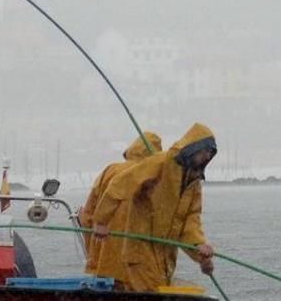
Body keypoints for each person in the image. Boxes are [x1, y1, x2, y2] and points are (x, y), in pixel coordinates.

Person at [91, 123, 217, 292]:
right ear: (193, 148)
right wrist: (101, 220)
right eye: (205, 150)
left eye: (211, 153)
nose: (207, 156)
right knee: (153, 295)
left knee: (156, 295)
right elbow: (121, 184)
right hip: (141, 249)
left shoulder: (193, 185)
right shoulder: (160, 163)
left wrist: (200, 250)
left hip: (165, 255)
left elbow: (190, 222)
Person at [78, 131, 162, 274]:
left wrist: (92, 252)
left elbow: (88, 215)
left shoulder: (109, 171)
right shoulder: (153, 177)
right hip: (136, 264)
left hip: (103, 260)